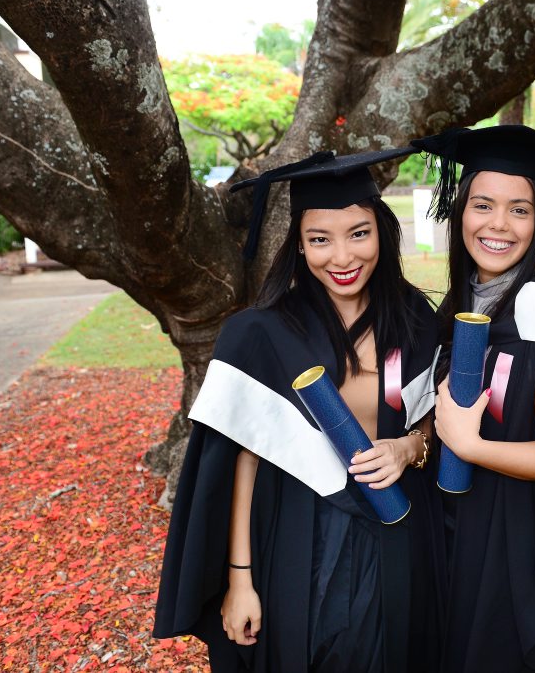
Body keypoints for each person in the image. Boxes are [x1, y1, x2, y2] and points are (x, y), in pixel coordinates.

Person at [153, 148, 445, 672]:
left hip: (397, 532)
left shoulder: (413, 317)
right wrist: (240, 576)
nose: (342, 257)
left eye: (359, 233)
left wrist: (409, 447)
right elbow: (244, 459)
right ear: (300, 246)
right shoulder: (265, 333)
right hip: (301, 537)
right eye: (319, 240)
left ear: (383, 231)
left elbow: (431, 416)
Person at [410, 125, 535, 672]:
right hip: (453, 531)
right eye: (482, 205)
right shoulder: (461, 302)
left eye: (519, 209)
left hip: (515, 547)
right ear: (459, 211)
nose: (498, 224)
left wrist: (472, 447)